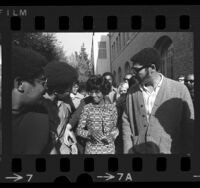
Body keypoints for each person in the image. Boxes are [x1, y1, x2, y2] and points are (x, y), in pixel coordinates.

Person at [122, 48, 194, 154]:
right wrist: (128, 149)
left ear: (152, 68)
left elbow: (189, 126)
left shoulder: (179, 90)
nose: (134, 74)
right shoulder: (132, 92)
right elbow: (126, 121)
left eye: (137, 70)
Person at [12, 45, 50, 154]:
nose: (45, 89)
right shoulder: (38, 120)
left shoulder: (40, 114)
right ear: (20, 84)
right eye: (42, 82)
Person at [76, 75, 119, 154]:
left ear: (104, 91)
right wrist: (90, 133)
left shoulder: (112, 108)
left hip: (109, 150)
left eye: (97, 92)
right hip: (92, 150)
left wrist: (112, 136)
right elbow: (79, 130)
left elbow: (115, 128)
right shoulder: (87, 108)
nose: (93, 95)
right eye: (91, 92)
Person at [44, 61, 79, 154]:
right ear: (57, 89)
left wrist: (72, 143)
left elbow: (65, 129)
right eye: (68, 89)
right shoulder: (40, 106)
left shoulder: (65, 103)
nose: (71, 91)